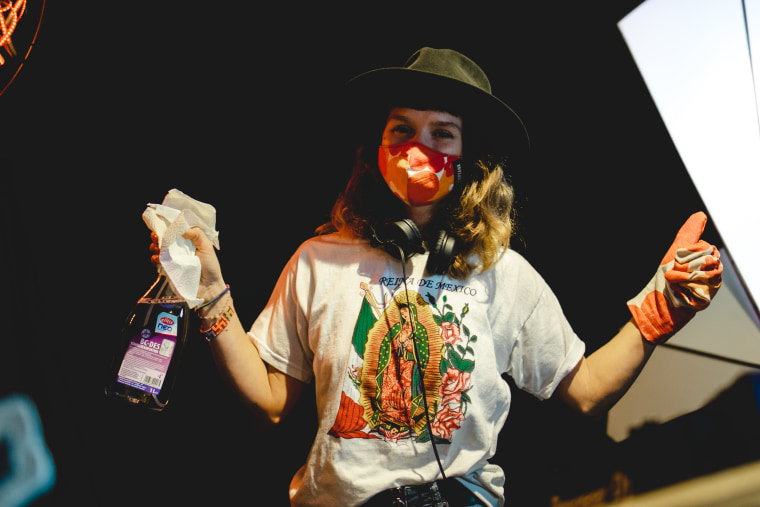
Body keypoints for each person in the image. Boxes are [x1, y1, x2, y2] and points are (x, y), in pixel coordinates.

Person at [152, 48, 723, 506]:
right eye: (401, 130)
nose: (417, 147)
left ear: (470, 158)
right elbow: (269, 403)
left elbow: (587, 392)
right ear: (376, 148)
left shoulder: (507, 276)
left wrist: (657, 312)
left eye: (441, 133)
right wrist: (209, 294)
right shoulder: (316, 260)